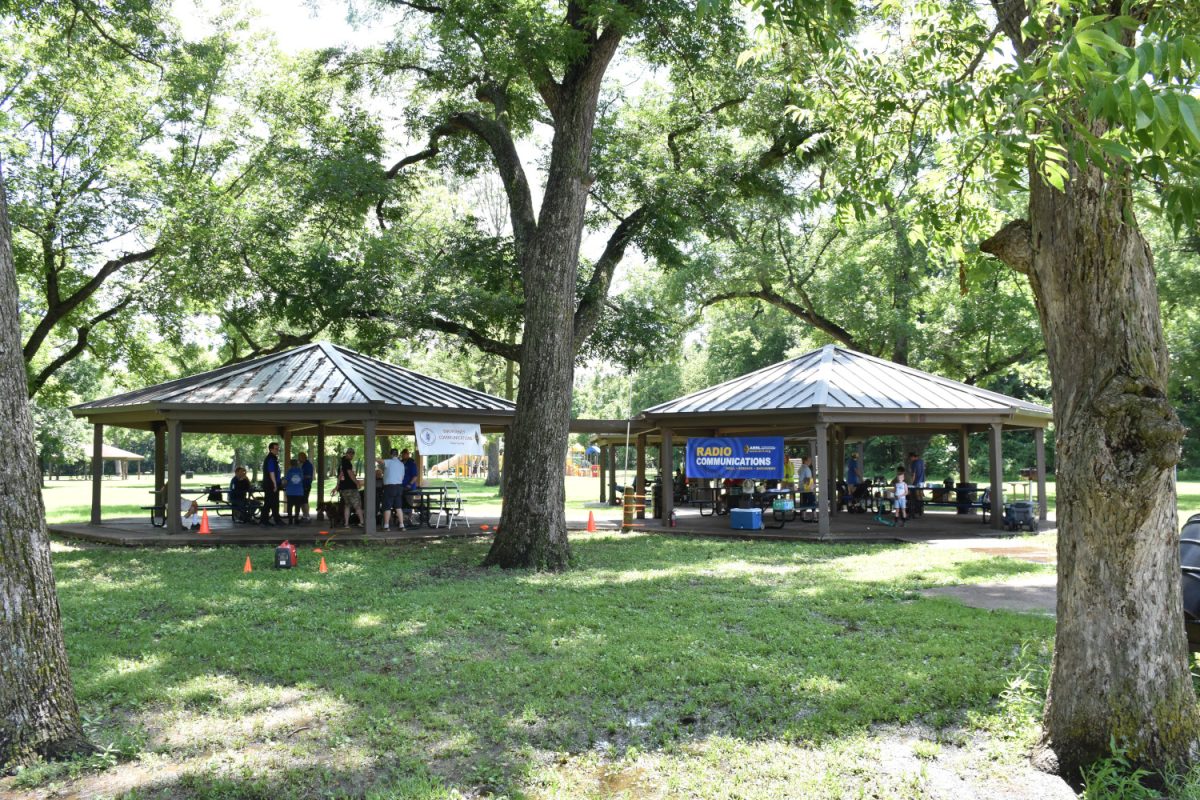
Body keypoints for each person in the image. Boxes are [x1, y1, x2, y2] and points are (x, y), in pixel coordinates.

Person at [379, 448, 407, 531]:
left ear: (391, 454)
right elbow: (402, 476)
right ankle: (402, 525)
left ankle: (386, 526)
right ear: (397, 454)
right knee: (398, 507)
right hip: (399, 487)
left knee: (387, 507)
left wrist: (372, 457)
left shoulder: (389, 462)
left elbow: (380, 461)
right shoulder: (401, 464)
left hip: (389, 487)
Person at [338, 447, 364, 528]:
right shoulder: (347, 463)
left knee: (347, 505)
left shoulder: (341, 463)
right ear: (346, 454)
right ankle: (362, 522)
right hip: (351, 488)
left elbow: (340, 476)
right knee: (357, 505)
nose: (351, 455)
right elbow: (350, 473)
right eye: (350, 453)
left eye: (352, 454)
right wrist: (357, 483)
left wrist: (337, 486)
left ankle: (346, 524)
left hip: (343, 489)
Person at [261, 442, 283, 526]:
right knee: (274, 503)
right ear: (271, 449)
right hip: (271, 485)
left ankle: (264, 520)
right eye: (276, 449)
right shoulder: (271, 459)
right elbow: (271, 472)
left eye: (278, 449)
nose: (277, 450)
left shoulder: (272, 458)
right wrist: (275, 484)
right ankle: (277, 520)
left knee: (268, 503)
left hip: (269, 484)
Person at [400, 448, 420, 526]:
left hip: (409, 488)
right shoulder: (400, 463)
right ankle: (402, 519)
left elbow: (415, 476)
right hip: (400, 487)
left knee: (408, 503)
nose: (403, 455)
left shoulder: (412, 463)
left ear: (408, 454)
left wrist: (410, 484)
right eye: (402, 454)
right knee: (401, 504)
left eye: (405, 454)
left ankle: (409, 519)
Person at [284, 458, 305, 525]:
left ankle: (290, 520)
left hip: (290, 491)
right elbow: (302, 479)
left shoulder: (289, 471)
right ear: (297, 464)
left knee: (290, 506)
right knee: (297, 506)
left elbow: (286, 481)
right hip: (299, 491)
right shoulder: (300, 471)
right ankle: (296, 519)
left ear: (290, 464)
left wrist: (284, 485)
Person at [298, 451, 314, 523]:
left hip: (306, 485)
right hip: (301, 486)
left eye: (299, 457)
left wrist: (300, 476)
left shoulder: (308, 465)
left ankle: (307, 516)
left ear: (303, 457)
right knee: (302, 501)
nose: (298, 459)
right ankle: (304, 515)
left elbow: (309, 476)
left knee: (305, 501)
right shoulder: (302, 464)